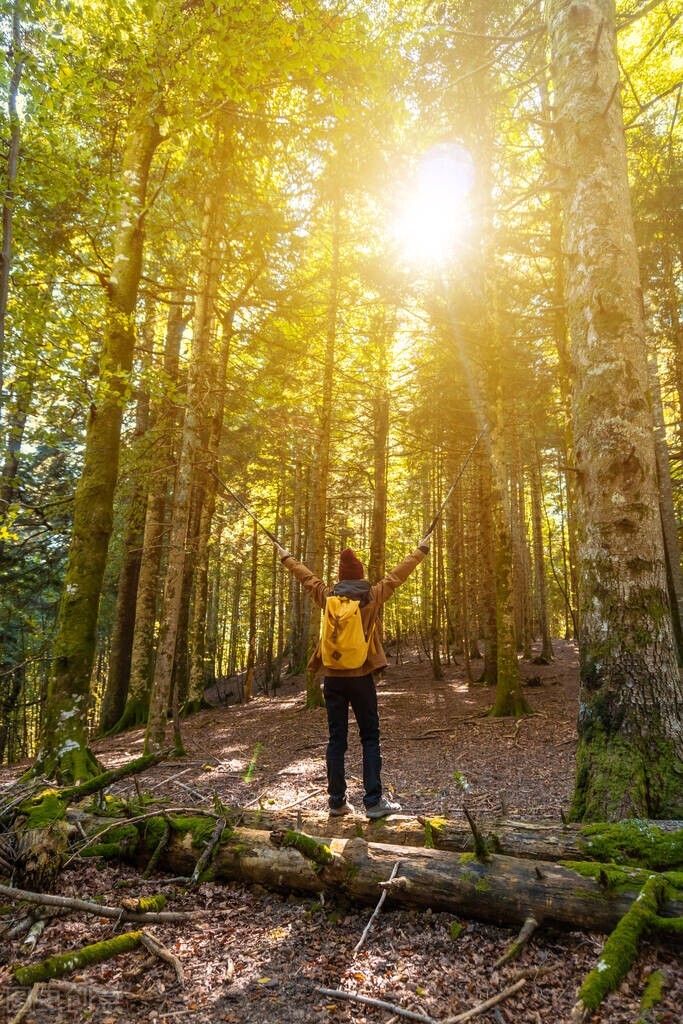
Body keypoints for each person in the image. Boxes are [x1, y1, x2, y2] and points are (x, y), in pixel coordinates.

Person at [275, 536, 431, 819]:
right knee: (370, 737)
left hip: (332, 677)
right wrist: (421, 550)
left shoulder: (328, 597)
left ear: (340, 577)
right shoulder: (372, 595)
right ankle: (373, 802)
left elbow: (306, 578)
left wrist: (286, 556)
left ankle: (337, 802)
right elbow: (399, 574)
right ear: (360, 576)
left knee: (337, 738)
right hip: (361, 676)